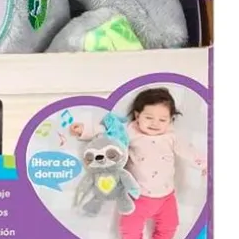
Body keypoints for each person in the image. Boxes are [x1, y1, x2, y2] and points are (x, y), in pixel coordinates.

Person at [71, 88, 207, 239]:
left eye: (162, 120)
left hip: (166, 198)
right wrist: (85, 130)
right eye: (149, 117)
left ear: (170, 120)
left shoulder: (171, 136)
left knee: (170, 226)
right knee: (130, 229)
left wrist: (205, 164)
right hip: (137, 197)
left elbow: (188, 151)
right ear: (137, 116)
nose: (155, 123)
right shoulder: (130, 132)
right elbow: (107, 133)